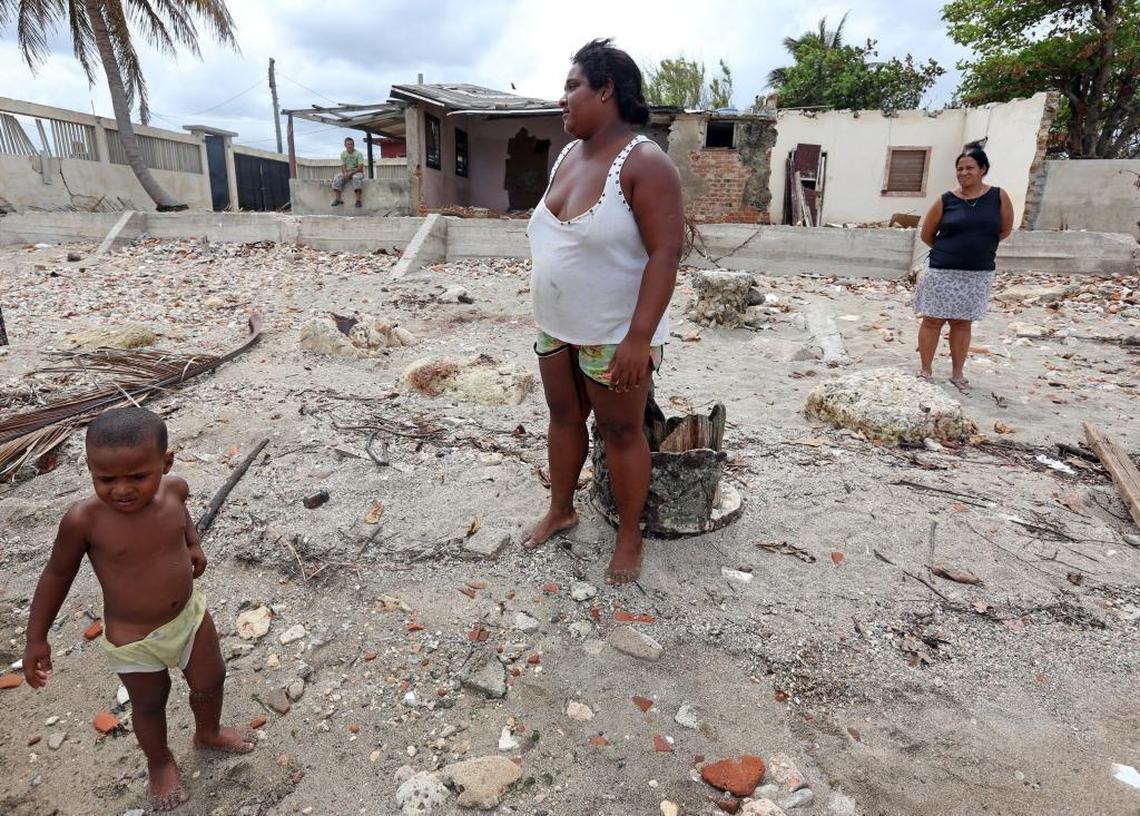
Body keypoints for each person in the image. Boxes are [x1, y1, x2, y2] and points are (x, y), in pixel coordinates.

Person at [22, 407, 253, 812]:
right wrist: (36, 637)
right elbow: (57, 575)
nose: (121, 489)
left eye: (138, 477)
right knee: (149, 703)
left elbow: (182, 515)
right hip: (133, 640)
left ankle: (209, 731)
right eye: (105, 479)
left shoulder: (174, 489)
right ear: (91, 469)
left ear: (165, 464)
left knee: (211, 677)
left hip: (189, 618)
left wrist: (193, 543)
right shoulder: (84, 521)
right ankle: (159, 760)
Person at [523, 38, 683, 585]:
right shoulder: (568, 154)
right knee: (563, 418)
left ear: (606, 90)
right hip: (556, 325)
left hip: (615, 334)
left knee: (621, 432)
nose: (562, 100)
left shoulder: (644, 162)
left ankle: (628, 535)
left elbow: (666, 253)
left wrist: (640, 337)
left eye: (572, 87)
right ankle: (561, 509)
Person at [915, 147, 1013, 391]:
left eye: (969, 168)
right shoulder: (946, 200)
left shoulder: (999, 197)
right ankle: (926, 370)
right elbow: (927, 234)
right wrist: (950, 251)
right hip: (941, 271)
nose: (963, 172)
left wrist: (977, 248)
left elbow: (1005, 230)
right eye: (959, 168)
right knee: (932, 321)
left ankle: (957, 373)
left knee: (962, 323)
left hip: (977, 273)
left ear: (983, 170)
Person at [332, 136, 365, 208]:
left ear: (353, 145)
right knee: (337, 177)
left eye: (351, 144)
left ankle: (358, 201)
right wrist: (344, 174)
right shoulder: (343, 154)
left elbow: (360, 168)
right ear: (345, 145)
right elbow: (343, 165)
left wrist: (351, 173)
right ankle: (338, 199)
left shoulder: (358, 154)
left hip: (357, 172)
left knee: (356, 178)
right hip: (347, 172)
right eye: (348, 144)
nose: (350, 146)